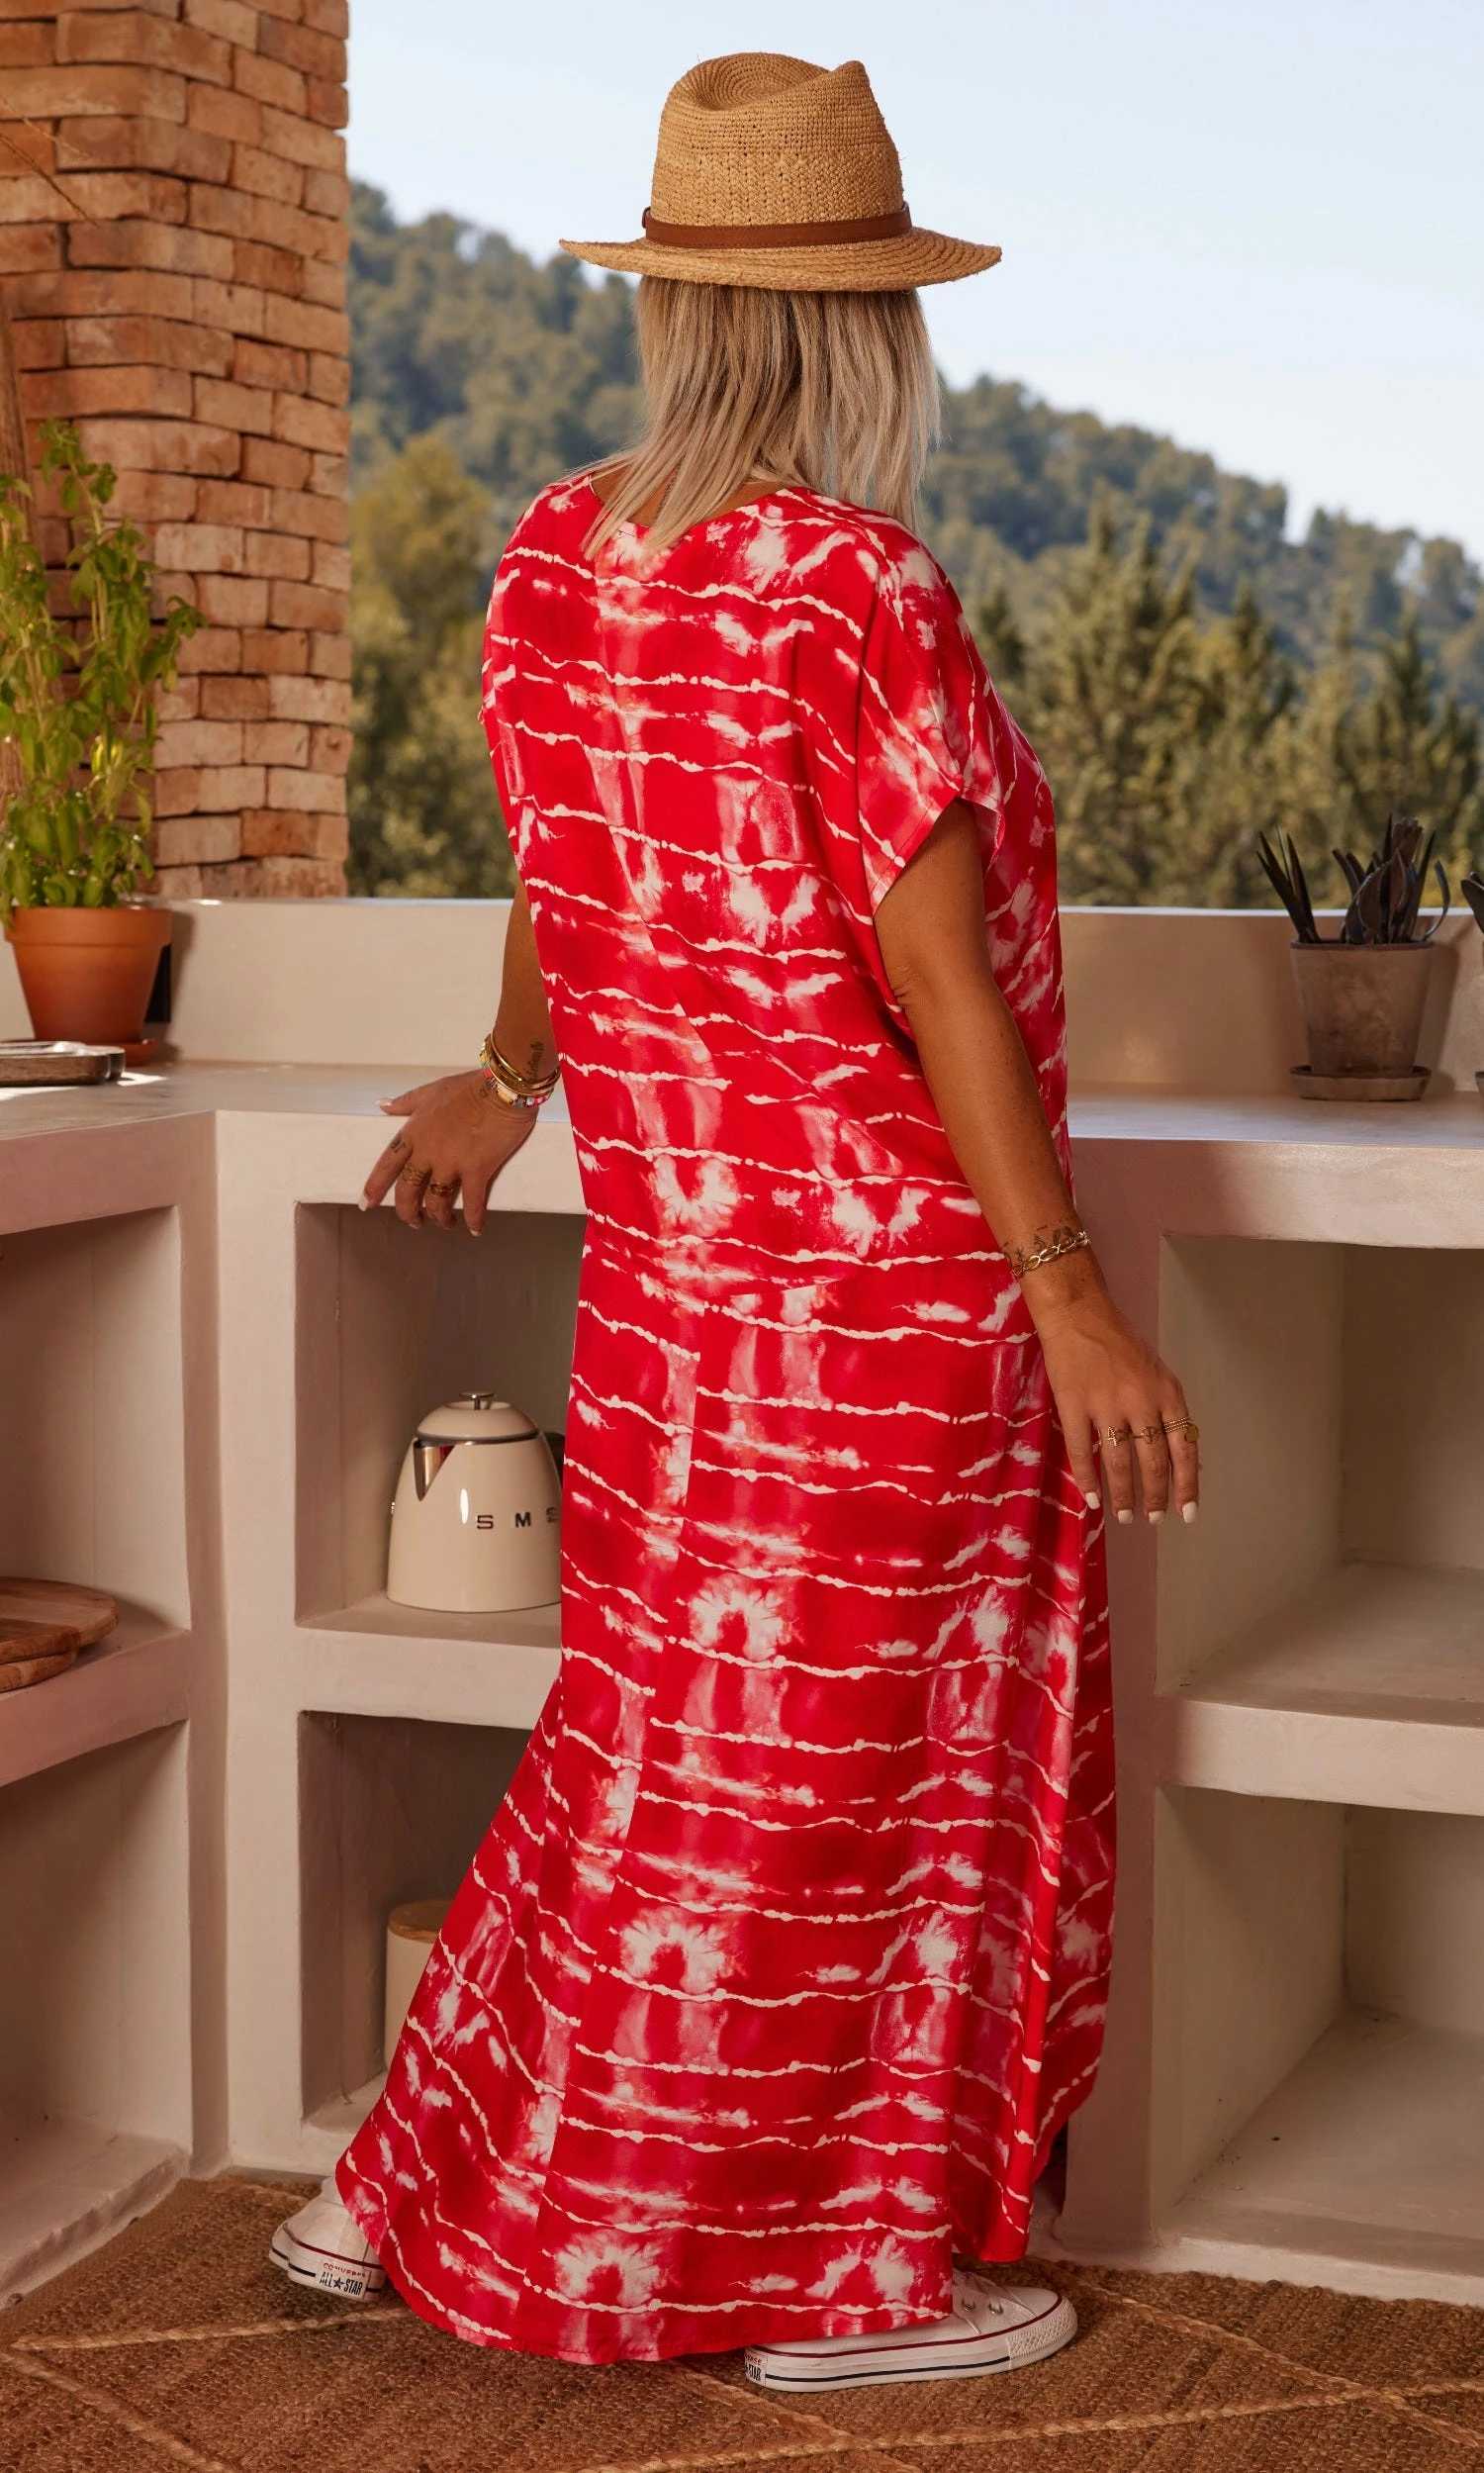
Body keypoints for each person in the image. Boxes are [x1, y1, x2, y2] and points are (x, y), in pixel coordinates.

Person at [271, 51, 1198, 2389]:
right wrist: (1070, 1293)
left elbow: (563, 855)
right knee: (852, 1813)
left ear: (676, 310)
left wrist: (512, 1081)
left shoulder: (552, 554)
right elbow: (936, 978)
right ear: (866, 328)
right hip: (884, 1307)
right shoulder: (858, 586)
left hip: (673, 1302)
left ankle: (396, 2180)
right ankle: (851, 2283)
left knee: (646, 1755)